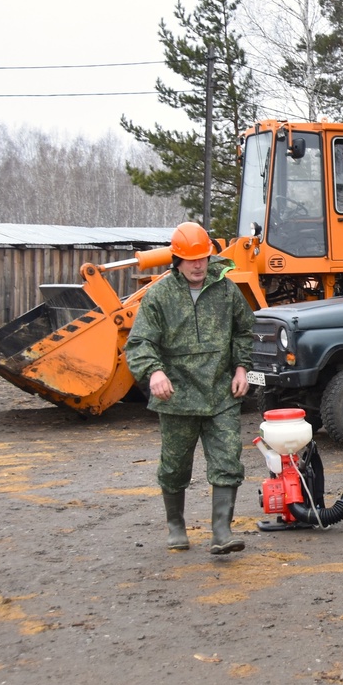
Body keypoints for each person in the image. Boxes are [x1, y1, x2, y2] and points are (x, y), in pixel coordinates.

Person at [125, 221, 256, 556]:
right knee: (174, 467)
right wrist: (153, 373)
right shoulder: (159, 295)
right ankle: (175, 526)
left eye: (202, 257)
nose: (198, 265)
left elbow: (245, 332)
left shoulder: (226, 291)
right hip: (176, 396)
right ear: (177, 260)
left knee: (228, 460)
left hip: (221, 392)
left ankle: (222, 533)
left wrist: (242, 367)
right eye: (190, 259)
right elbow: (139, 343)